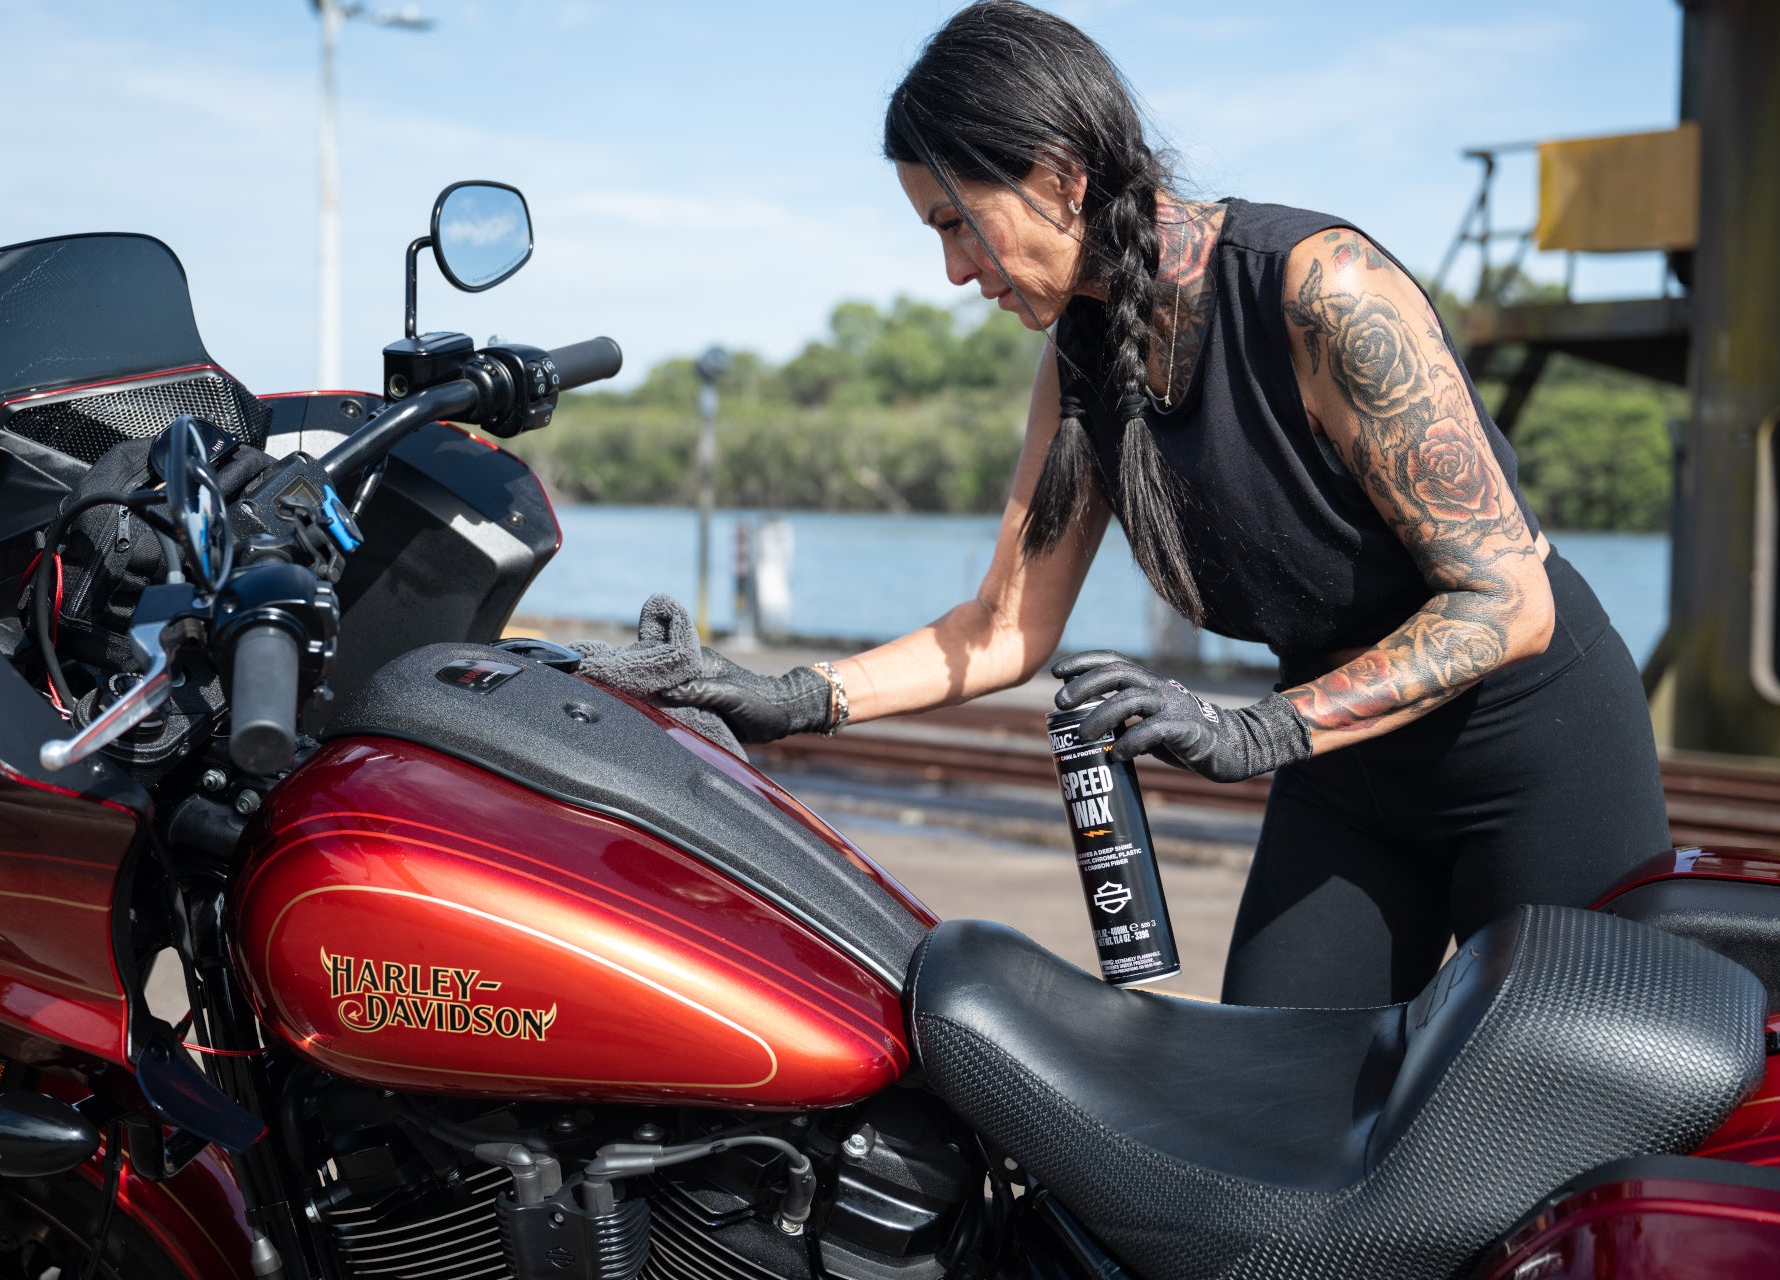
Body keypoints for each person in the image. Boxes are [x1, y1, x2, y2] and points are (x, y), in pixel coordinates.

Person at [659, 0, 1669, 1009]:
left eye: (957, 223)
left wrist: (1253, 732)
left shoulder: (1322, 288)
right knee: (1270, 1089)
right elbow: (1004, 626)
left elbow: (1509, 601)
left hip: (1530, 747)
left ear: (1060, 175)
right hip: (1345, 772)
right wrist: (789, 696)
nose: (955, 270)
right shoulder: (1081, 357)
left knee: (1565, 1083)